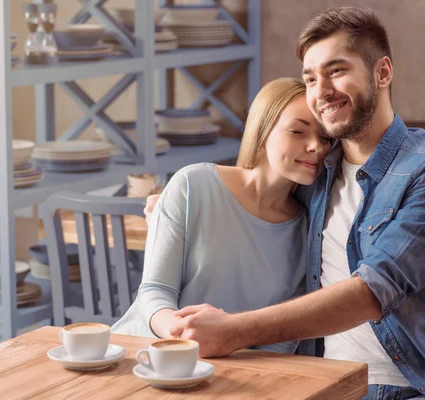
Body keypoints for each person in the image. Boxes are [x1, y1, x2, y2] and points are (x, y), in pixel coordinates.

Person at [144, 7, 425, 400]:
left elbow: (373, 291)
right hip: (319, 383)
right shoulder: (317, 173)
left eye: (336, 71)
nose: (321, 91)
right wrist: (170, 199)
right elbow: (259, 178)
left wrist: (234, 330)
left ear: (383, 73)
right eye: (310, 78)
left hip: (415, 389)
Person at [111, 77, 332, 355]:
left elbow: (281, 335)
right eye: (298, 132)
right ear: (262, 132)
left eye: (325, 137)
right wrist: (184, 339)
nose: (317, 146)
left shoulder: (306, 233)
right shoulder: (193, 184)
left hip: (228, 374)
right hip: (143, 351)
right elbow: (154, 291)